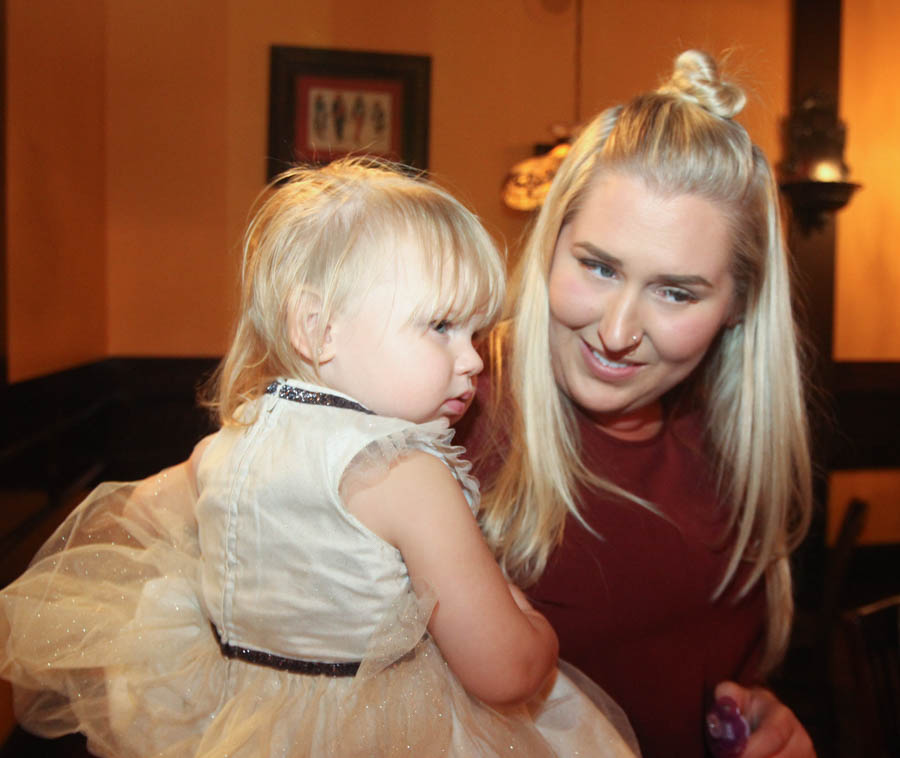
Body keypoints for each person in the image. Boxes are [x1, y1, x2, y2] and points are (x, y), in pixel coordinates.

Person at [0, 158, 639, 757]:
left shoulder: (229, 447)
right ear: (318, 329)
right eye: (440, 327)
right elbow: (501, 672)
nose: (472, 358)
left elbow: (132, 517)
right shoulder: (405, 474)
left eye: (474, 332)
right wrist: (539, 638)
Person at [457, 51, 816, 757]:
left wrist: (762, 719)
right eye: (598, 266)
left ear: (738, 306)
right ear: (550, 243)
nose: (617, 334)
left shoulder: (728, 444)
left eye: (676, 291)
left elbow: (684, 671)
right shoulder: (451, 408)